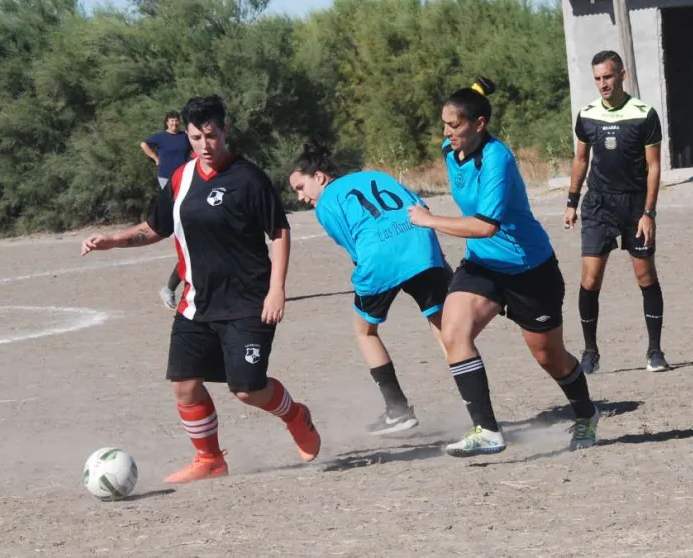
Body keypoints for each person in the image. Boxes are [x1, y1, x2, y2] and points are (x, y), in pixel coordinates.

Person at [83, 95, 320, 483]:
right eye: (196, 137)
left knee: (247, 389)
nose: (205, 145)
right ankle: (209, 459)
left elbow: (278, 232)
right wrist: (113, 239)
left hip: (248, 302)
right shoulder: (182, 177)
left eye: (211, 136)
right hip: (197, 303)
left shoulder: (249, 178)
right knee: (185, 386)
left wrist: (277, 289)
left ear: (225, 131)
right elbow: (155, 227)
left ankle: (295, 414)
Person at [408, 77, 599, 457]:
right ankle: (488, 430)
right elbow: (470, 107)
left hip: (530, 271)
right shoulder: (451, 150)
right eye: (444, 124)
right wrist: (476, 88)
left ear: (479, 125)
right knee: (453, 333)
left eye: (455, 125)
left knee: (551, 358)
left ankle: (586, 413)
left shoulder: (498, 157)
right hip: (483, 266)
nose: (447, 132)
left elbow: (485, 225)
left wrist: (430, 220)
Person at [288, 140, 452, 436]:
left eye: (300, 187)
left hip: (379, 259)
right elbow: (421, 207)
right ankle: (475, 403)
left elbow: (355, 249)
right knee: (444, 327)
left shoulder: (325, 203)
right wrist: (438, 258)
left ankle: (397, 410)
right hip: (421, 246)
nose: (300, 197)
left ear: (320, 177)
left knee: (365, 331)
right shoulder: (375, 175)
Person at [563, 50, 669, 374]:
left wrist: (648, 212)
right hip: (598, 205)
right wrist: (571, 201)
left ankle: (654, 350)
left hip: (635, 205)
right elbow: (581, 160)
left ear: (622, 75)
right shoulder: (587, 115)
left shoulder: (644, 114)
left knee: (645, 275)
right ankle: (590, 352)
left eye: (607, 77)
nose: (602, 84)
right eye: (597, 78)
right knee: (590, 279)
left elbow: (653, 167)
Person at [140, 110, 193, 310]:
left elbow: (193, 151)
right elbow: (144, 143)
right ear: (167, 123)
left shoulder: (185, 137)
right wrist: (155, 158)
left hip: (185, 174)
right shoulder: (161, 137)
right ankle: (178, 226)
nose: (174, 123)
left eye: (176, 120)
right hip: (168, 177)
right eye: (171, 121)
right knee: (179, 205)